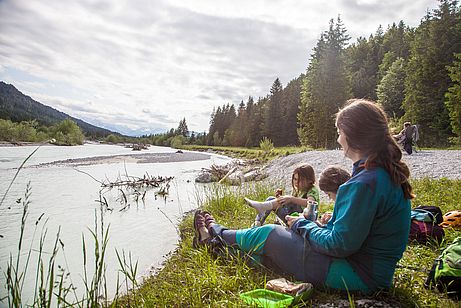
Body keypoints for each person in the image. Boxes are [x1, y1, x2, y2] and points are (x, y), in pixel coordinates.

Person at [193, 99, 413, 293]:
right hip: (369, 271)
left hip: (358, 275)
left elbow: (339, 245)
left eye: (339, 132)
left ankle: (215, 231)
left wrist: (301, 225)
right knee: (270, 254)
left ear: (353, 134)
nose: (338, 139)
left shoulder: (366, 182)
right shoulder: (378, 174)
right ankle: (215, 243)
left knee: (271, 233)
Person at [244, 164, 320, 226]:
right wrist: (280, 198)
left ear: (309, 180)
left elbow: (311, 203)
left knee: (273, 200)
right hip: (291, 216)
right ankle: (258, 222)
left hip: (300, 221)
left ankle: (261, 207)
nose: (296, 182)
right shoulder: (298, 190)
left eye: (300, 180)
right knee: (272, 199)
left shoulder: (312, 190)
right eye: (295, 179)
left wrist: (291, 199)